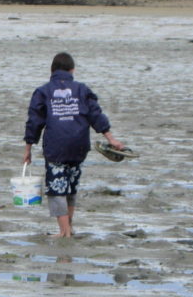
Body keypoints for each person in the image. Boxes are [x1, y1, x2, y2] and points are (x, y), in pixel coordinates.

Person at [23, 52, 124, 238]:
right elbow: (96, 115)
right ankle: (68, 227)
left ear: (51, 71)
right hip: (79, 145)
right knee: (70, 187)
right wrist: (111, 139)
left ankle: (64, 232)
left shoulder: (43, 91)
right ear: (72, 70)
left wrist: (28, 149)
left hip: (56, 145)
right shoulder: (82, 90)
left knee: (56, 188)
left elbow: (34, 122)